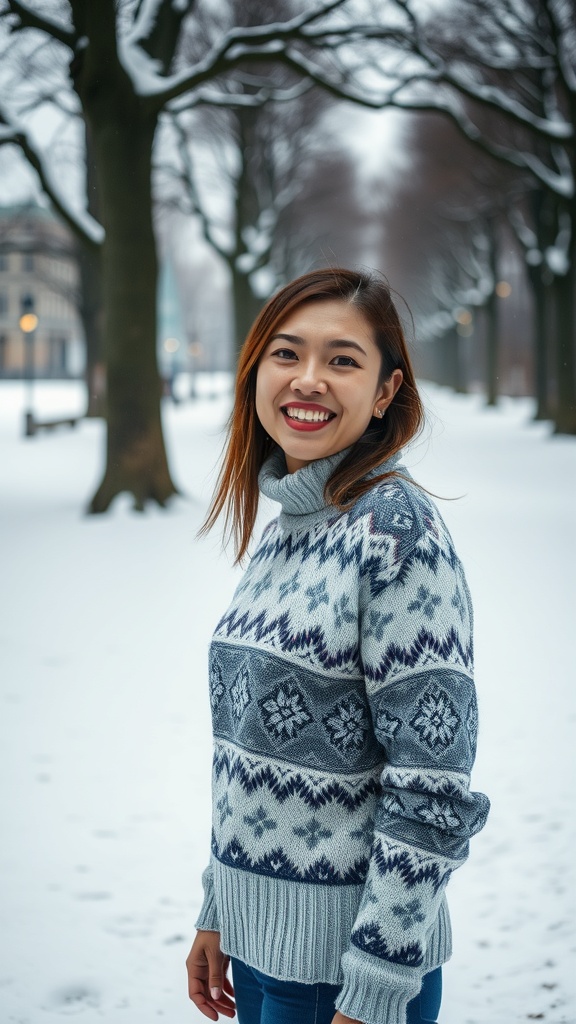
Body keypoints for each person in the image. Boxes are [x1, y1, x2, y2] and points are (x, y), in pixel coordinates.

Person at [186, 268, 490, 1024]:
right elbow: (247, 752)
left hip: (345, 979)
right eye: (286, 354)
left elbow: (431, 790)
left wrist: (376, 990)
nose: (308, 380)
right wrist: (218, 905)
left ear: (386, 392)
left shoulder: (398, 537)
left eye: (343, 360)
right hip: (259, 960)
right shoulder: (293, 523)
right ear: (256, 369)